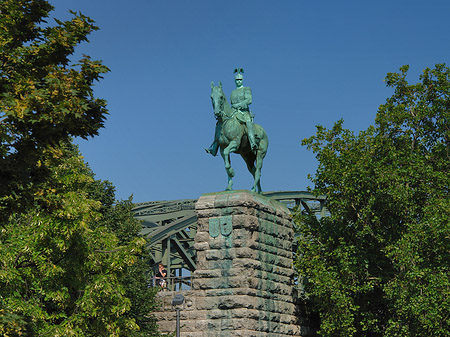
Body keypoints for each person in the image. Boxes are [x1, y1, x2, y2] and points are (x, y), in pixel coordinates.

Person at [206, 68, 257, 156]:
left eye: (240, 79)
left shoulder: (246, 89)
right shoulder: (233, 92)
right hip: (234, 112)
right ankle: (214, 146)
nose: (238, 81)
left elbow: (249, 100)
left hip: (244, 112)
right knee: (219, 123)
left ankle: (253, 143)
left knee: (248, 123)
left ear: (242, 80)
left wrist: (239, 105)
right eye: (237, 80)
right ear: (235, 81)